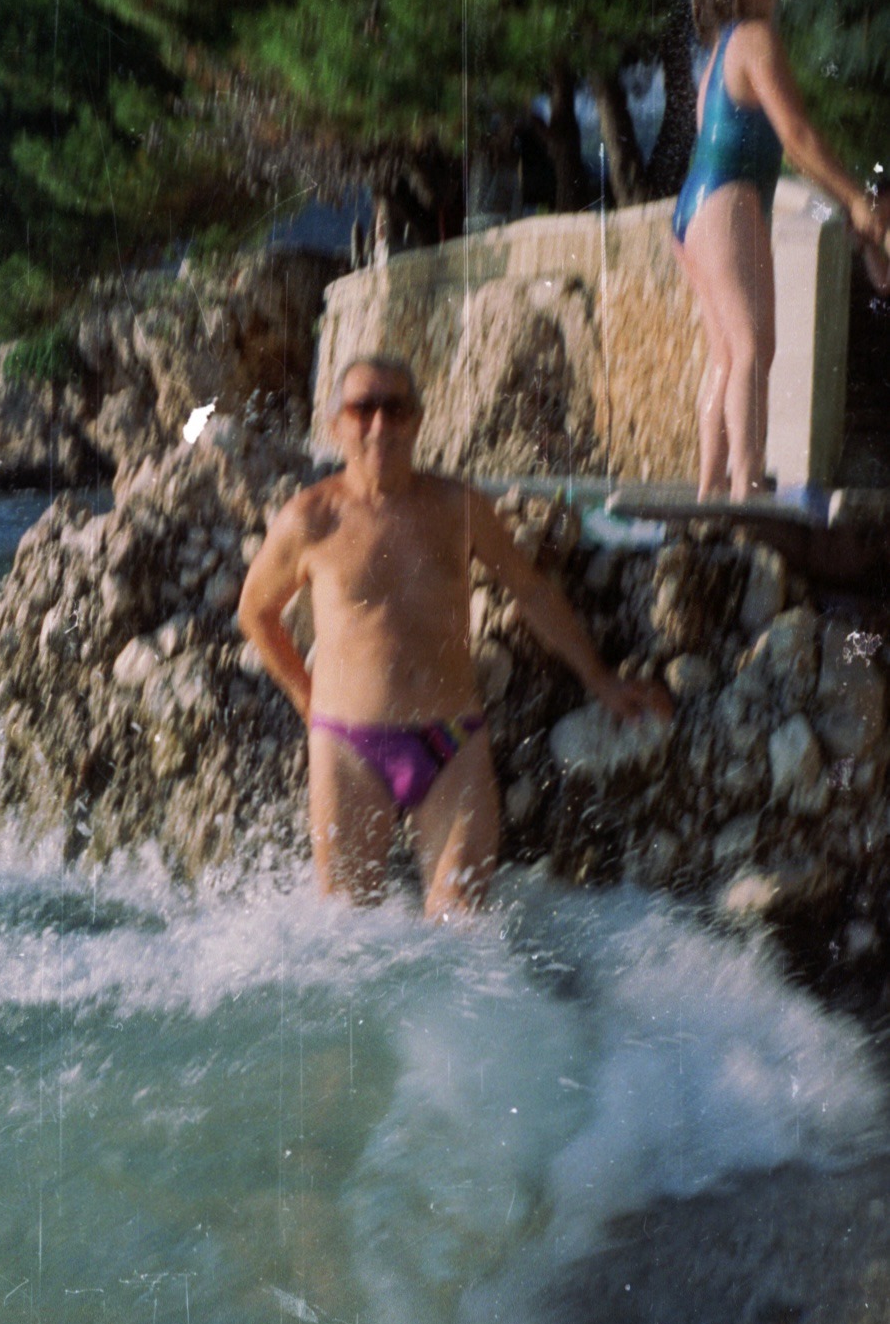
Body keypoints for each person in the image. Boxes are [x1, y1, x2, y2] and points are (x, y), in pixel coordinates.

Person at [237, 355, 672, 918]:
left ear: (417, 420)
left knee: (458, 938)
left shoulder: (458, 507)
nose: (378, 425)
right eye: (362, 408)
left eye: (394, 408)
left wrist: (599, 679)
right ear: (337, 424)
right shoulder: (310, 519)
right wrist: (305, 696)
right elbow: (256, 613)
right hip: (347, 747)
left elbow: (531, 591)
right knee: (349, 945)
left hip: (452, 743)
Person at [672, 0, 890, 502]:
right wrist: (856, 200)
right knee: (751, 348)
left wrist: (841, 207)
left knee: (727, 354)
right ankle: (746, 488)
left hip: (695, 209)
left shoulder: (720, 52)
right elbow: (798, 137)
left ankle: (711, 490)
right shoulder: (754, 39)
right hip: (727, 200)